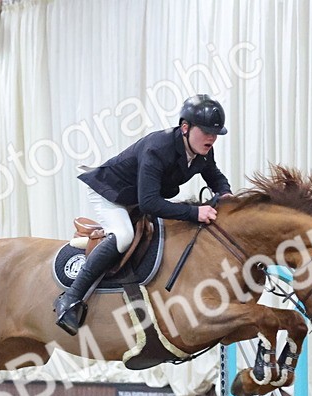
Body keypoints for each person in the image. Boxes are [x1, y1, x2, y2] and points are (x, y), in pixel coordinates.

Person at [55, 94, 233, 335]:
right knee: (124, 235)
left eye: (215, 133)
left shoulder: (202, 151)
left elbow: (215, 177)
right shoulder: (157, 149)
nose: (211, 137)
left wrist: (226, 194)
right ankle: (70, 298)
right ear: (185, 127)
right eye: (205, 131)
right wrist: (194, 212)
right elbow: (149, 203)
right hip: (111, 192)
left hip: (138, 197)